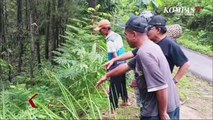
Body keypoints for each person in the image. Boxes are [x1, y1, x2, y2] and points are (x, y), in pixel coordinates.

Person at [97, 16, 180, 120]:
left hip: (157, 111)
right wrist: (107, 75)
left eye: (126, 35)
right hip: (171, 104)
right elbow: (127, 66)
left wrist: (163, 113)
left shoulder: (144, 53)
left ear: (134, 35)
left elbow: (161, 86)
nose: (126, 38)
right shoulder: (150, 46)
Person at [105, 15, 190, 84]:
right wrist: (115, 59)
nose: (146, 31)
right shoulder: (150, 42)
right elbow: (132, 53)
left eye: (149, 28)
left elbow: (185, 64)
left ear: (158, 29)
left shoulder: (170, 44)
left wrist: (174, 81)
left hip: (159, 84)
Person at [94, 19, 130, 116]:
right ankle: (126, 100)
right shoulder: (117, 35)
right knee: (122, 83)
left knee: (113, 87)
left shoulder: (109, 40)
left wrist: (110, 66)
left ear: (106, 29)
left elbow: (114, 56)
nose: (101, 32)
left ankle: (112, 111)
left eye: (101, 29)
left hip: (116, 65)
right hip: (123, 63)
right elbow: (121, 51)